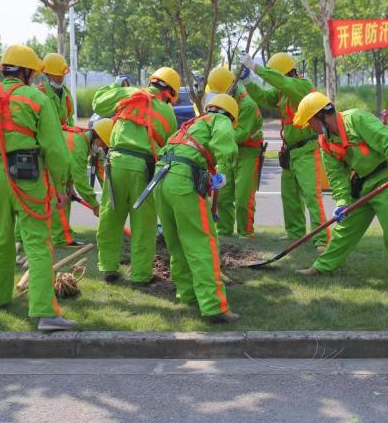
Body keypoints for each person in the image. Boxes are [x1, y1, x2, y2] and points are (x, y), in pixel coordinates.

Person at [0, 44, 75, 331]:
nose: (35, 79)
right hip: (29, 176)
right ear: (25, 72)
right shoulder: (36, 99)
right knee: (37, 243)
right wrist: (61, 186)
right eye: (33, 74)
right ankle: (46, 314)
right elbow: (56, 148)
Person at [291, 92, 388, 277]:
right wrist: (342, 202)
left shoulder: (357, 119)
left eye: (310, 122)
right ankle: (323, 267)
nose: (310, 128)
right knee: (344, 230)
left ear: (320, 116)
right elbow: (337, 175)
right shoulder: (325, 142)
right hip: (362, 185)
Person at [155, 94, 240, 323]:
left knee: (177, 242)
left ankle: (187, 294)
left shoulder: (192, 124)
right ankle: (214, 307)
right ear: (231, 115)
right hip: (183, 181)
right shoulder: (219, 120)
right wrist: (222, 169)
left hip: (161, 179)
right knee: (201, 243)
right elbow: (225, 145)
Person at [92, 67, 179, 285]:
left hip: (115, 163)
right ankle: (140, 275)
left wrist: (115, 85)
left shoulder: (130, 93)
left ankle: (109, 267)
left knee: (110, 217)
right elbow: (170, 149)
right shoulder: (168, 114)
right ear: (170, 92)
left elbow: (98, 104)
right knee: (144, 224)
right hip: (143, 169)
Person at [240, 52, 330, 251]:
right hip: (290, 152)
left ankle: (322, 238)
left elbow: (282, 82)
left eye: (276, 75)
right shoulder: (282, 93)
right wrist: (248, 81)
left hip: (307, 149)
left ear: (285, 72)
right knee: (289, 196)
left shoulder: (302, 86)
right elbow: (263, 97)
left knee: (311, 196)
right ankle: (295, 232)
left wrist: (256, 68)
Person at [206, 66, 264, 238]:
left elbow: (241, 134)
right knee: (221, 194)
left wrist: (215, 140)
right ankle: (224, 232)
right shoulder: (219, 101)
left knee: (243, 199)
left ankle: (245, 234)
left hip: (247, 153)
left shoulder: (247, 105)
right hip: (225, 154)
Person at [49, 119, 113, 247]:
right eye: (103, 144)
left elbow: (70, 167)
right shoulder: (79, 146)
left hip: (55, 173)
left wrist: (69, 185)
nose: (103, 148)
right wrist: (94, 205)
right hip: (49, 173)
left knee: (63, 199)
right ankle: (61, 240)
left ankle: (62, 236)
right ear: (96, 136)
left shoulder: (82, 139)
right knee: (60, 202)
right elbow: (80, 180)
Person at [38, 53, 75, 127]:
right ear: (47, 74)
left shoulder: (67, 95)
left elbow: (70, 121)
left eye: (62, 74)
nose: (60, 77)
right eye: (56, 74)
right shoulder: (39, 94)